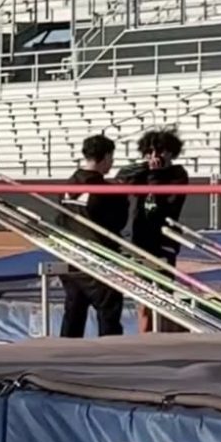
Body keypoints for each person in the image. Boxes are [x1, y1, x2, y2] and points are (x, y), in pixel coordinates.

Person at [115, 127, 189, 333]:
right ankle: (144, 335)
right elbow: (120, 177)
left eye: (160, 151)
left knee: (164, 297)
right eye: (150, 152)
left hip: (163, 241)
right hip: (137, 241)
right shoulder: (139, 172)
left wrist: (156, 175)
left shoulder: (177, 174)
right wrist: (145, 168)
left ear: (171, 153)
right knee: (143, 299)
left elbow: (167, 206)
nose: (154, 156)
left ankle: (165, 336)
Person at [56, 135, 130, 338]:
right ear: (106, 157)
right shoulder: (106, 191)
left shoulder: (67, 185)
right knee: (108, 315)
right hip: (99, 260)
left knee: (73, 314)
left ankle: (65, 357)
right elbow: (118, 223)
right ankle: (110, 357)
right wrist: (123, 196)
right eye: (111, 158)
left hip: (72, 258)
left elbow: (60, 219)